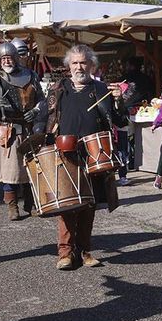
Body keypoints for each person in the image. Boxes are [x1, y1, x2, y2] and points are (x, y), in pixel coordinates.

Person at [46, 45, 127, 270]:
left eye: (83, 62)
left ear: (91, 65)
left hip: (94, 154)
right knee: (67, 205)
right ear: (68, 66)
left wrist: (119, 100)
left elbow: (121, 121)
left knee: (88, 205)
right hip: (65, 153)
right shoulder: (58, 89)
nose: (79, 67)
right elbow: (47, 118)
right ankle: (65, 253)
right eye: (75, 63)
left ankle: (84, 251)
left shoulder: (101, 89)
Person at [0, 42, 47, 220]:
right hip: (8, 131)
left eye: (9, 58)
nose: (6, 61)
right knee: (11, 172)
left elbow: (42, 100)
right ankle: (12, 207)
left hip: (28, 129)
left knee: (30, 170)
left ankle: (30, 204)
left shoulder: (31, 75)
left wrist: (35, 111)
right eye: (3, 58)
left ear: (16, 58)